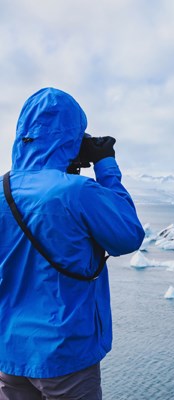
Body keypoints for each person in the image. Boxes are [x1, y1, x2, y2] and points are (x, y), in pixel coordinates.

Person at [0, 88, 145, 399]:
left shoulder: (2, 191)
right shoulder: (76, 192)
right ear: (71, 138)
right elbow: (129, 235)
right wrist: (105, 164)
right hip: (65, 352)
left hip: (9, 353)